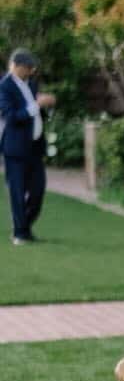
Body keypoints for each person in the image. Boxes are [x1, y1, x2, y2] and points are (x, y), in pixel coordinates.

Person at [1, 48, 54, 244]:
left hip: (35, 148)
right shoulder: (4, 87)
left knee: (38, 191)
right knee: (17, 192)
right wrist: (37, 105)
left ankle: (24, 227)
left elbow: (38, 113)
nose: (32, 71)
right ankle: (20, 234)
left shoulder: (31, 84)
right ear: (16, 66)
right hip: (15, 148)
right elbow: (11, 117)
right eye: (28, 67)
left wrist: (47, 105)